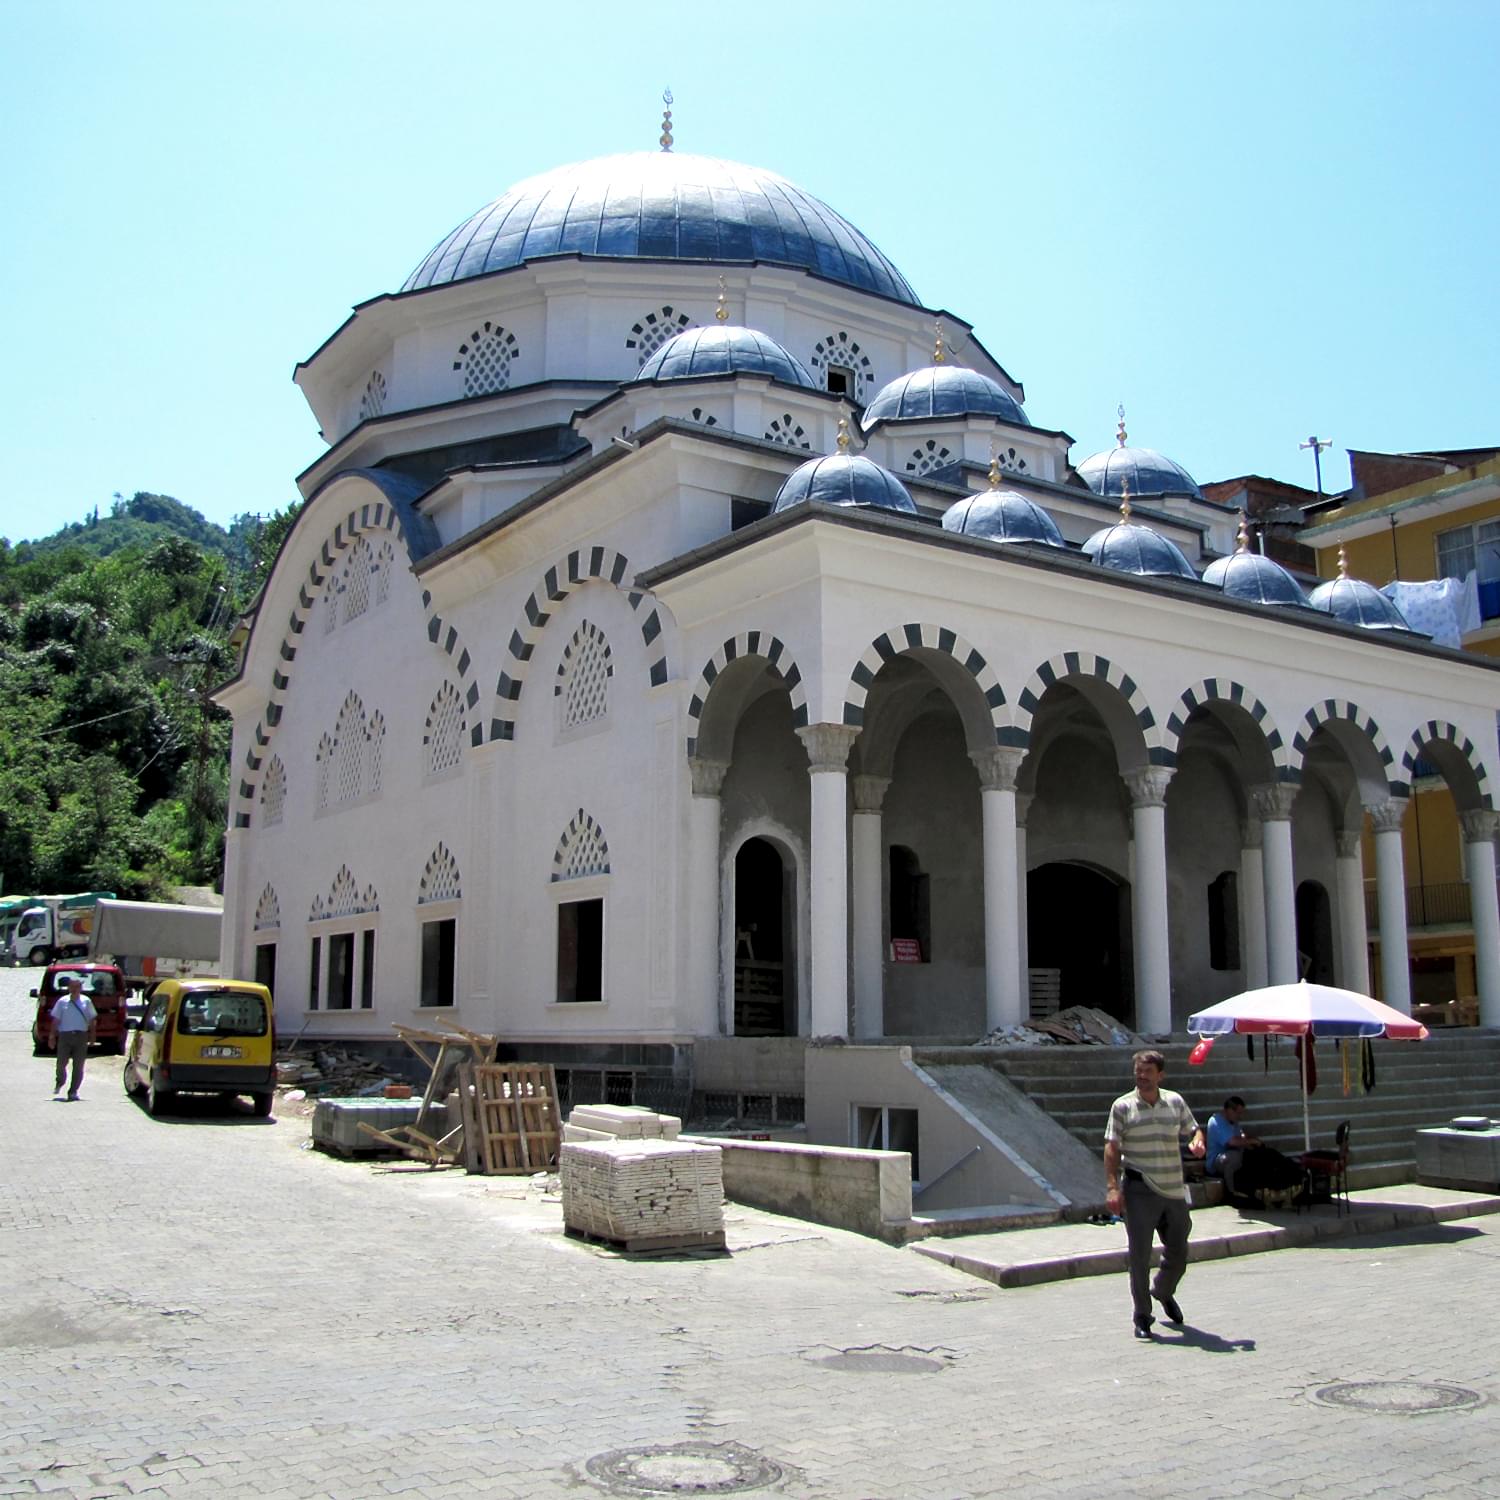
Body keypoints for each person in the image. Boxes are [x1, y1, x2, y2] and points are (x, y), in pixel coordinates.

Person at [1104, 1048, 1204, 1340]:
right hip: (1140, 1187)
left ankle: (1163, 1290)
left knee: (1179, 1249)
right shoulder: (1123, 1106)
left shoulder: (1174, 1101)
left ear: (1160, 1075)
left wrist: (1198, 1141)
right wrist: (1112, 1187)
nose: (1142, 1077)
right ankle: (1142, 1316)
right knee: (1139, 1255)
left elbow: (1194, 1129)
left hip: (1173, 1187)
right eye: (1138, 1072)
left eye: (1148, 1072)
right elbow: (1112, 1148)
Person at [1205, 1096, 1303, 1207]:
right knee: (1233, 1157)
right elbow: (1232, 1142)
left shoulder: (1233, 1122)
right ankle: (1231, 1192)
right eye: (1238, 1113)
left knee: (1266, 1155)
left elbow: (1240, 1136)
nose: (1240, 1117)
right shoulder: (1216, 1122)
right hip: (1218, 1162)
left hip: (1237, 1154)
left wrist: (1252, 1142)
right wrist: (1250, 1141)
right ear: (1229, 1110)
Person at [50, 976, 97, 1100]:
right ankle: (60, 1081)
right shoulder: (62, 1001)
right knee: (61, 1063)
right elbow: (55, 1020)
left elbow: (92, 1019)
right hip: (65, 1036)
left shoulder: (86, 1001)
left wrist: (92, 1036)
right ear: (68, 988)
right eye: (72, 986)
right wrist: (52, 1036)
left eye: (77, 986)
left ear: (81, 988)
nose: (74, 989)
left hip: (81, 1036)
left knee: (78, 1065)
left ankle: (73, 1091)